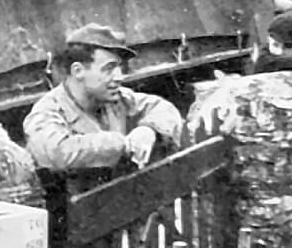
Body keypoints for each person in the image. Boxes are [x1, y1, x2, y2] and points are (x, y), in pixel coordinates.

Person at [23, 23, 183, 176]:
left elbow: (164, 109)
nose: (119, 77)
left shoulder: (117, 98)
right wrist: (122, 144)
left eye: (119, 67)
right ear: (78, 71)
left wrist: (148, 129)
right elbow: (56, 153)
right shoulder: (47, 112)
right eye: (109, 69)